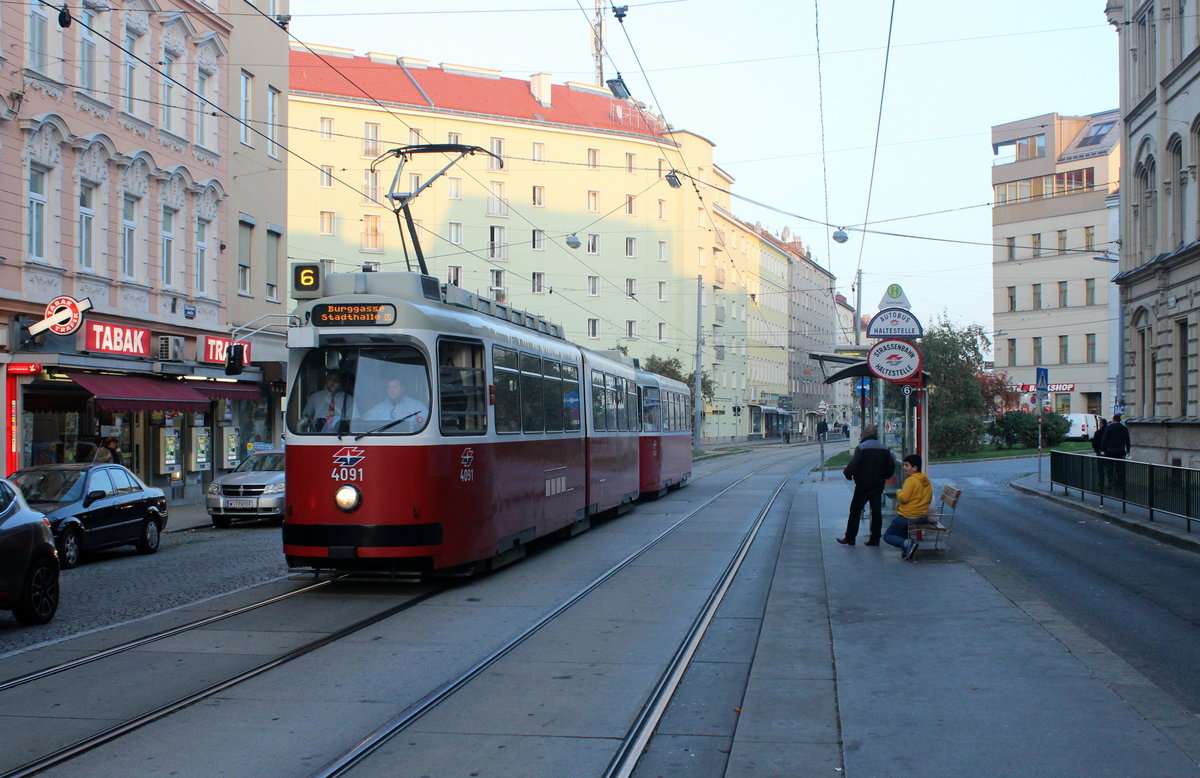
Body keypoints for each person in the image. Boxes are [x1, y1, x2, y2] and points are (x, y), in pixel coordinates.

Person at [838, 424, 896, 546]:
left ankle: (850, 537)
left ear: (864, 434)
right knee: (876, 512)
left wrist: (848, 474)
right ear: (875, 435)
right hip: (878, 485)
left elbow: (853, 465)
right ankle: (875, 539)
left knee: (855, 511)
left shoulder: (861, 448)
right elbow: (891, 467)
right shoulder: (884, 449)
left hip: (863, 485)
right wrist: (884, 476)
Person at [883, 454, 934, 560]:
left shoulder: (911, 481)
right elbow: (928, 498)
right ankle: (907, 548)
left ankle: (908, 544)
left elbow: (903, 498)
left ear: (914, 468)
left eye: (906, 465)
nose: (904, 467)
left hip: (908, 516)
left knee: (888, 536)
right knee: (901, 532)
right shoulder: (926, 481)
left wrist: (898, 492)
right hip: (922, 515)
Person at [363, 377, 428, 430]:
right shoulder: (378, 408)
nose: (392, 390)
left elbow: (425, 425)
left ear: (402, 389)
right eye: (389, 387)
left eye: (395, 387)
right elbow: (368, 426)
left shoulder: (416, 405)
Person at [1100, 413, 1131, 490]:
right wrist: (1128, 449)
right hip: (1120, 450)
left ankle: (1111, 482)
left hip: (1110, 451)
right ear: (1119, 420)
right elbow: (1127, 440)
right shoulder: (1123, 428)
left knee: (1109, 468)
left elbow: (1104, 439)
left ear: (1113, 419)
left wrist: (1103, 450)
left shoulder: (1109, 428)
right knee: (1119, 468)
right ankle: (1119, 484)